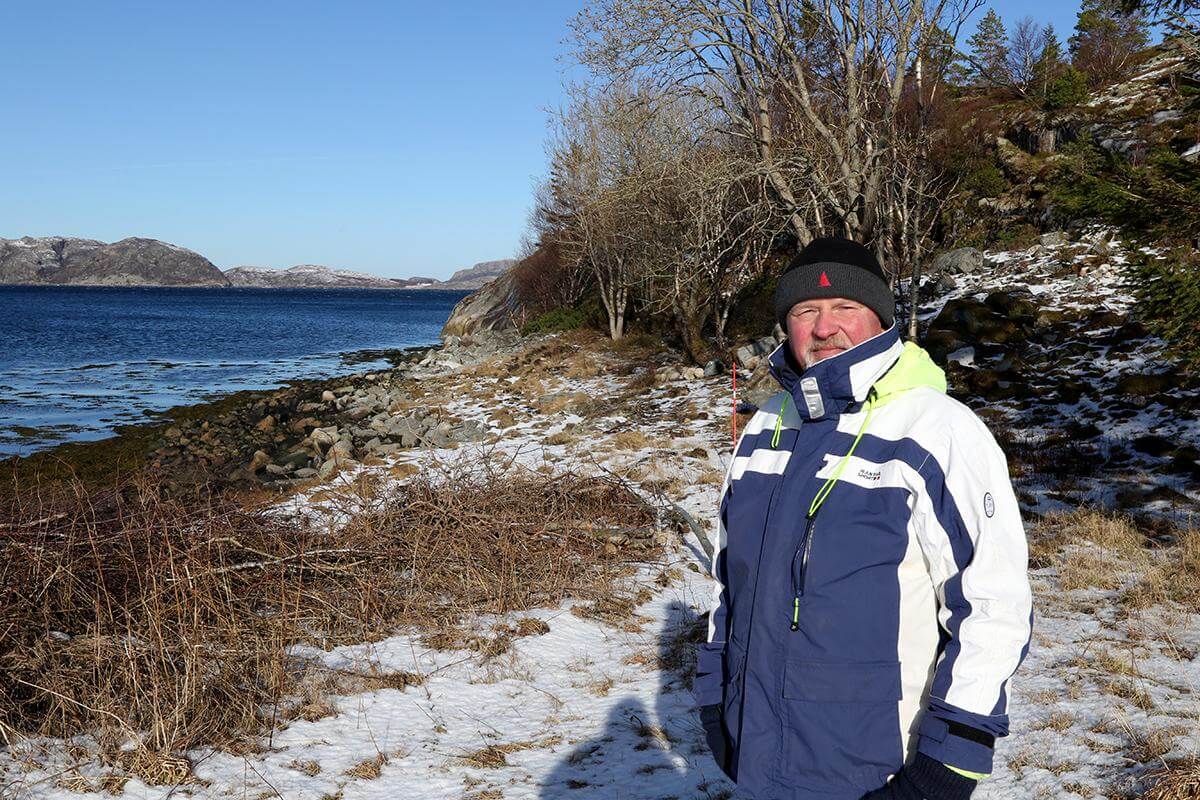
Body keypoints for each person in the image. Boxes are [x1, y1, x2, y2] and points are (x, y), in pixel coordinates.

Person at [694, 237, 1033, 800]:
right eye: (805, 311)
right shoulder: (767, 425)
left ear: (878, 318)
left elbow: (993, 604)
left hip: (877, 765)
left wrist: (949, 763)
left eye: (845, 308)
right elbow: (729, 576)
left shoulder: (936, 430)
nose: (824, 328)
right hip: (759, 750)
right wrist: (715, 696)